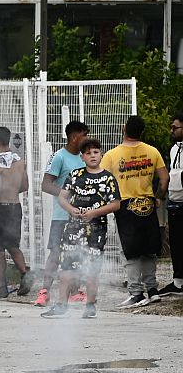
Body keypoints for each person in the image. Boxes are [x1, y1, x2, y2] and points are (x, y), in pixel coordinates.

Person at [41, 138, 121, 319]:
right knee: (67, 266)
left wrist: (95, 212)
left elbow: (116, 204)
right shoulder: (75, 175)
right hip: (73, 228)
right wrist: (71, 209)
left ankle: (90, 305)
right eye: (88, 153)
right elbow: (62, 197)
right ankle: (61, 305)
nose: (92, 156)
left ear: (101, 154)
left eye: (96, 152)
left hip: (96, 230)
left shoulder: (108, 178)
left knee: (92, 268)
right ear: (82, 157)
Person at [100, 115, 169, 308]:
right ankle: (153, 290)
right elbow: (164, 179)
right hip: (147, 203)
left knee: (130, 252)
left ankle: (136, 293)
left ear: (124, 129)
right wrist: (158, 196)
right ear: (142, 132)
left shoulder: (112, 155)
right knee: (149, 250)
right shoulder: (152, 151)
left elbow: (103, 180)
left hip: (125, 206)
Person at [37, 121, 90, 307]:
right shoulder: (59, 157)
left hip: (80, 217)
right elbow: (45, 184)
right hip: (61, 216)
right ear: (75, 137)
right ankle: (44, 292)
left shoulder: (84, 158)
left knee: (76, 254)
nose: (88, 139)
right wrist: (65, 195)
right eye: (85, 135)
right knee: (56, 254)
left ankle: (74, 292)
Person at [0, 126, 32, 299]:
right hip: (15, 207)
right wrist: (12, 191)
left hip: (0, 209)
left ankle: (0, 287)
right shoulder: (20, 161)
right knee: (13, 246)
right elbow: (25, 186)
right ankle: (25, 275)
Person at [158, 113, 183, 297]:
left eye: (175, 128)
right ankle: (178, 282)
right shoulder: (174, 149)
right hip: (175, 202)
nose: (171, 131)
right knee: (176, 242)